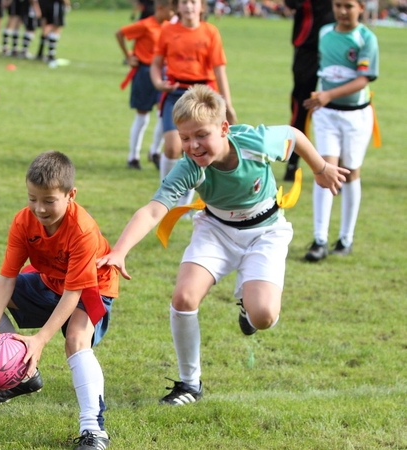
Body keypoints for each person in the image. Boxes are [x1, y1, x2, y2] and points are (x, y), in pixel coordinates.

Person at [97, 84, 348, 406]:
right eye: (185, 138)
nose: (192, 146)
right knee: (184, 298)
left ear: (224, 128)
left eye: (201, 135)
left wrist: (321, 167)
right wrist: (119, 251)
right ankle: (190, 384)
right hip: (216, 231)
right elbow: (153, 210)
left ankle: (249, 304)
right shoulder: (189, 168)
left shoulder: (254, 143)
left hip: (265, 232)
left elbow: (294, 134)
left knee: (264, 317)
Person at [0, 151, 119, 449]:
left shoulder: (82, 231)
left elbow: (74, 293)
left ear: (70, 195)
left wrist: (38, 340)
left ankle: (94, 430)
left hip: (92, 288)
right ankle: (23, 374)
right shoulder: (24, 221)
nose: (39, 208)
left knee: (76, 340)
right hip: (49, 280)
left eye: (49, 201)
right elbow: (7, 276)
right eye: (32, 198)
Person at [303, 0, 379, 262]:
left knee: (350, 172)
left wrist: (328, 94)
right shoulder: (325, 32)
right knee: (324, 169)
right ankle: (319, 239)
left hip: (356, 116)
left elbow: (362, 80)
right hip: (327, 114)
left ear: (360, 8)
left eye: (349, 6)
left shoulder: (366, 38)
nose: (342, 11)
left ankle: (346, 238)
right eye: (338, 5)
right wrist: (320, 96)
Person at [151, 0, 237, 207]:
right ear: (177, 7)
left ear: (201, 7)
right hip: (175, 93)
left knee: (199, 149)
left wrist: (228, 104)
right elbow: (156, 64)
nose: (188, 6)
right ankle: (166, 194)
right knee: (172, 147)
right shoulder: (168, 30)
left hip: (203, 96)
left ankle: (185, 204)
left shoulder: (211, 32)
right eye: (183, 2)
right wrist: (158, 83)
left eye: (193, 2)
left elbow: (219, 70)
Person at [116, 0, 175, 170]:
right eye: (171, 11)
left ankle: (155, 151)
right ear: (160, 8)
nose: (173, 14)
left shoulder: (169, 27)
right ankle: (133, 156)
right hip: (144, 73)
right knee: (142, 116)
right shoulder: (146, 24)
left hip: (163, 73)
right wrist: (128, 56)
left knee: (164, 115)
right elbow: (120, 33)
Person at [283, 0, 334, 181]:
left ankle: (337, 167)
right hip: (307, 47)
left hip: (336, 45)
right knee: (301, 105)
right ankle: (292, 163)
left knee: (335, 104)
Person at [36, 0, 69, 66]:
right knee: (54, 26)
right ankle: (50, 55)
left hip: (44, 3)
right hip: (54, 4)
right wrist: (67, 4)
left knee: (47, 26)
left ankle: (41, 53)